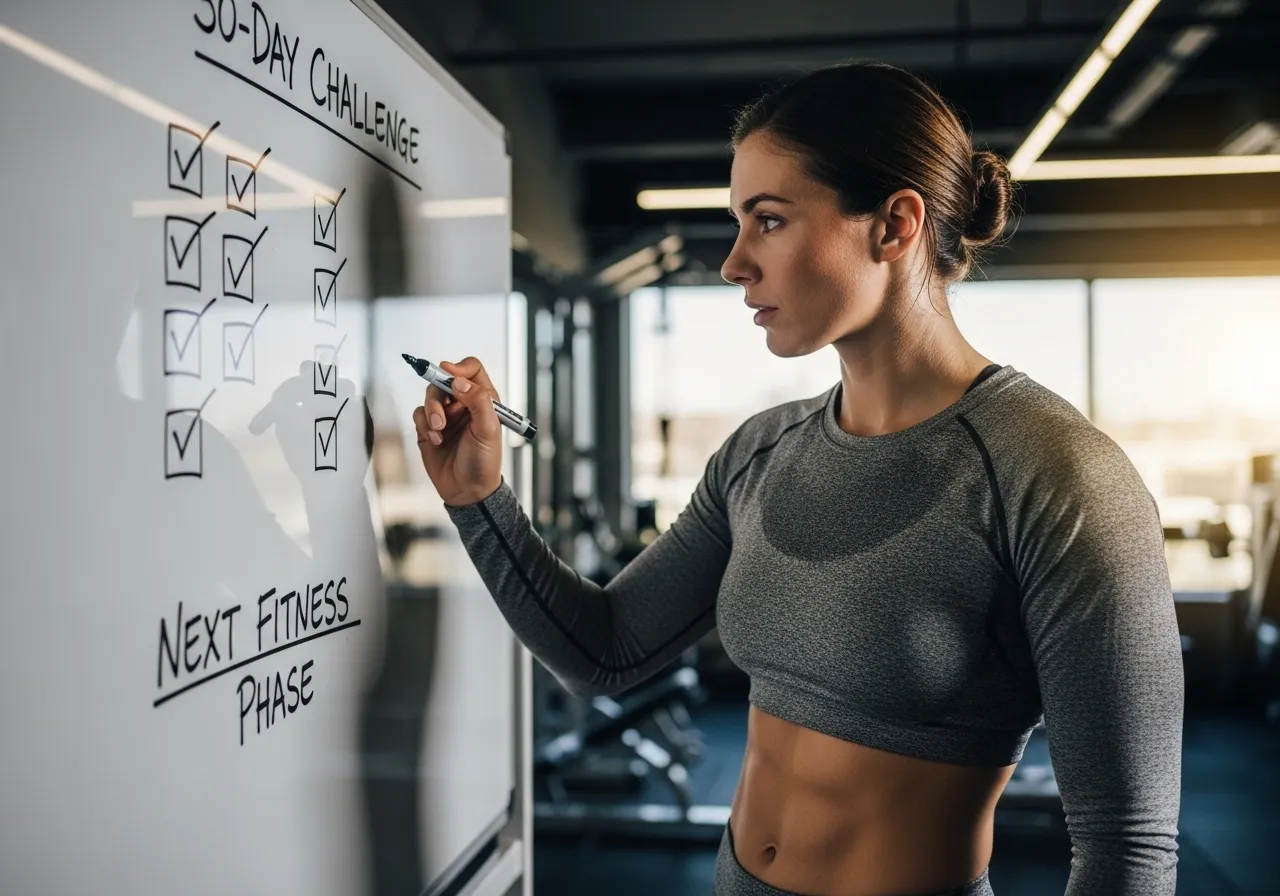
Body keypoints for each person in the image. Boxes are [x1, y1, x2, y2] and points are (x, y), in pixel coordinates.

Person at [412, 61, 1184, 896]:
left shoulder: (1054, 472)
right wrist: (478, 498)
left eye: (769, 221)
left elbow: (1127, 849)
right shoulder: (761, 451)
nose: (734, 263)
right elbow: (607, 650)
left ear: (894, 226)